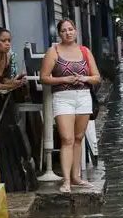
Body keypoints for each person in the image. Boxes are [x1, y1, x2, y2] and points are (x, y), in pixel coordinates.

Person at [40, 19, 100, 193]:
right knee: (67, 138)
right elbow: (44, 77)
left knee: (79, 138)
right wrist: (63, 79)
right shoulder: (54, 51)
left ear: (76, 31)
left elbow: (96, 77)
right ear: (59, 33)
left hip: (83, 96)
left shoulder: (84, 51)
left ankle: (76, 177)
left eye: (71, 29)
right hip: (62, 97)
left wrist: (85, 78)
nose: (68, 33)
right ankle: (66, 180)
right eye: (64, 30)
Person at [0, 26, 35, 193]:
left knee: (10, 136)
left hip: (4, 100)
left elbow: (6, 80)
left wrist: (15, 82)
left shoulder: (9, 57)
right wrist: (9, 84)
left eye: (9, 41)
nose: (7, 44)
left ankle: (13, 182)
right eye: (3, 41)